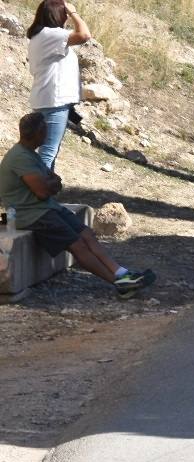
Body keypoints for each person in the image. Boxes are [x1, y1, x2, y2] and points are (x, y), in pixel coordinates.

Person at [0, 112, 155, 298]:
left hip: (46, 208)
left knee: (87, 234)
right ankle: (119, 284)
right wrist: (51, 184)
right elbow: (43, 190)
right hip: (31, 215)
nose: (48, 133)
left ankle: (122, 273)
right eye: (45, 130)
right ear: (38, 133)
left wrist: (50, 184)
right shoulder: (20, 158)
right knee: (78, 245)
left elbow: (53, 181)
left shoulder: (30, 154)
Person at [26, 0, 90, 171]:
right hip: (54, 101)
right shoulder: (51, 35)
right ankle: (35, 194)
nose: (67, 18)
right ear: (58, 15)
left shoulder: (41, 36)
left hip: (47, 99)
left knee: (48, 151)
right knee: (48, 152)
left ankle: (44, 193)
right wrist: (74, 12)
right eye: (65, 14)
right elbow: (84, 35)